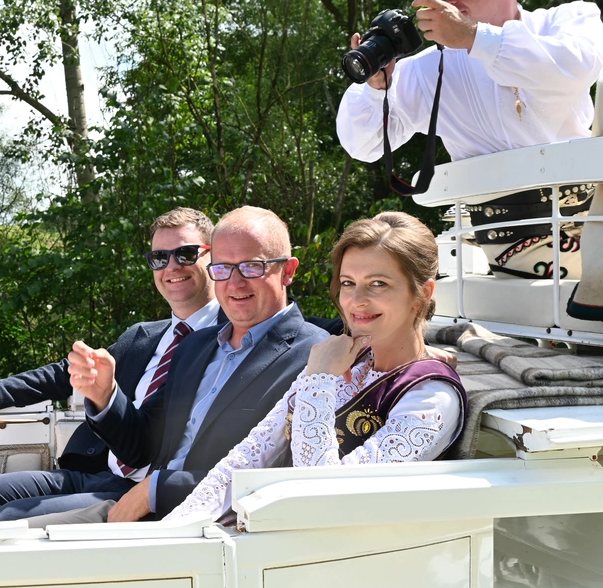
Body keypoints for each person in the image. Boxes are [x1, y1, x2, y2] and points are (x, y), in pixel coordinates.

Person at [336, 0, 603, 287]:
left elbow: (579, 65)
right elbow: (362, 146)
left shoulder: (566, 21)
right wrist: (375, 89)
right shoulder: (428, 68)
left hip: (592, 229)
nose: (447, 0)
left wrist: (475, 37)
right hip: (497, 251)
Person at [165, 212, 466, 522]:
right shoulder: (348, 362)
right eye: (348, 283)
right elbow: (247, 457)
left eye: (378, 284)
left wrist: (318, 379)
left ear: (422, 293)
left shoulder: (431, 398)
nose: (356, 301)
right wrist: (174, 529)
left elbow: (323, 500)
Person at [0, 208, 223, 523]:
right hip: (99, 471)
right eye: (159, 258)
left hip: (150, 492)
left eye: (185, 254)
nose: (171, 266)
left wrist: (107, 397)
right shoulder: (143, 336)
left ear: (213, 257)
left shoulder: (230, 340)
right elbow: (66, 373)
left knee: (10, 518)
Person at [63, 206, 332, 523]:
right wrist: (106, 396)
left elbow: (290, 477)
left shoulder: (315, 357)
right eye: (223, 269)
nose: (234, 283)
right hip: (139, 510)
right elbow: (142, 448)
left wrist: (156, 490)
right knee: (14, 524)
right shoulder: (194, 346)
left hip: (213, 528)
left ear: (288, 271)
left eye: (251, 267)